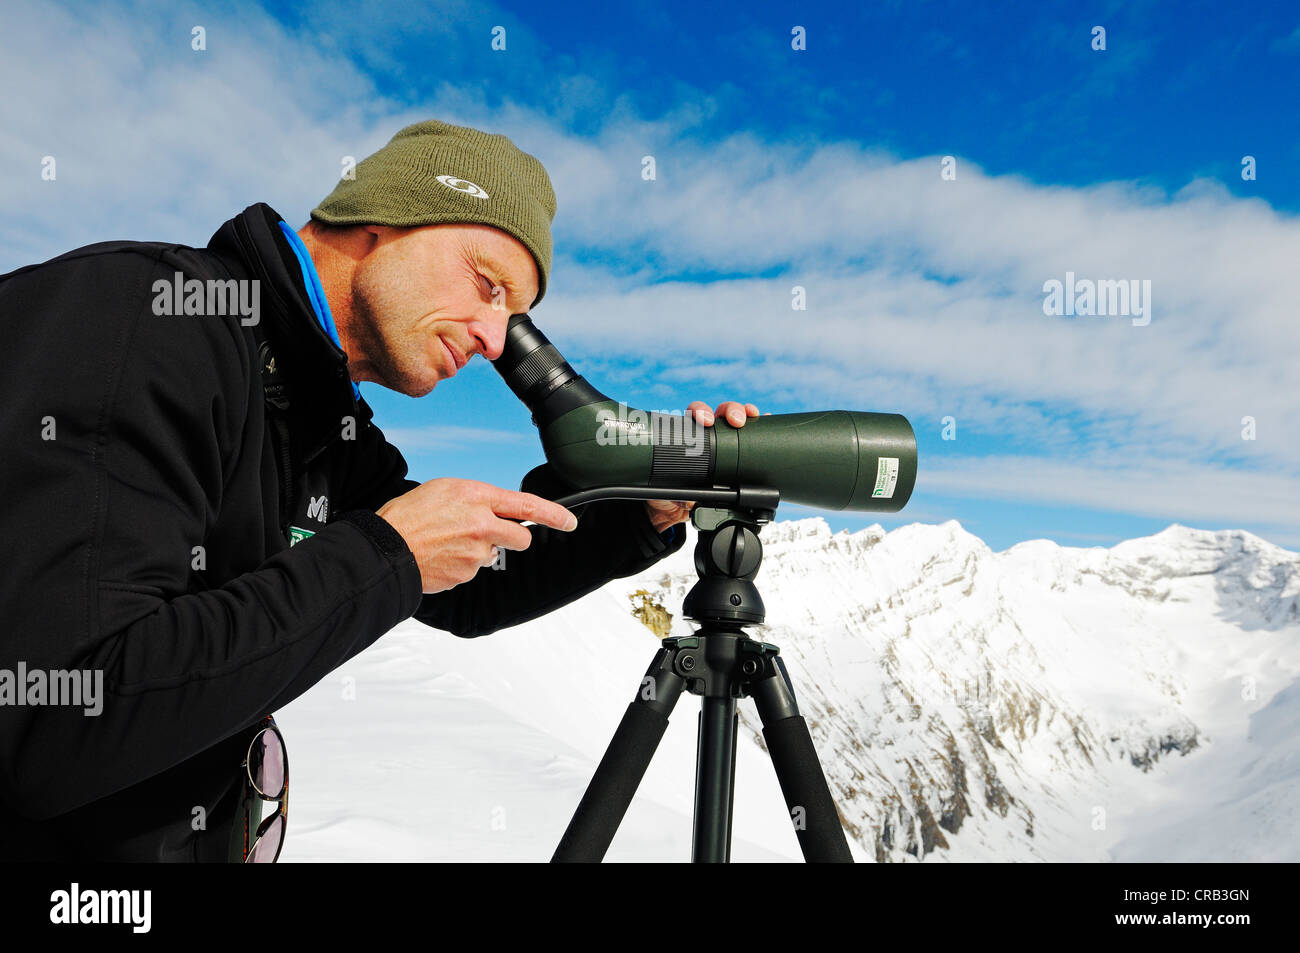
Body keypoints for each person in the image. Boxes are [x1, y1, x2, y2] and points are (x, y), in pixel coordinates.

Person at [0, 118, 760, 861]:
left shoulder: (319, 418)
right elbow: (55, 719)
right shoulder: (142, 319)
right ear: (384, 220)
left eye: (515, 319)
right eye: (487, 286)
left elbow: (470, 587)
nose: (496, 340)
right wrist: (389, 552)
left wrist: (641, 503)